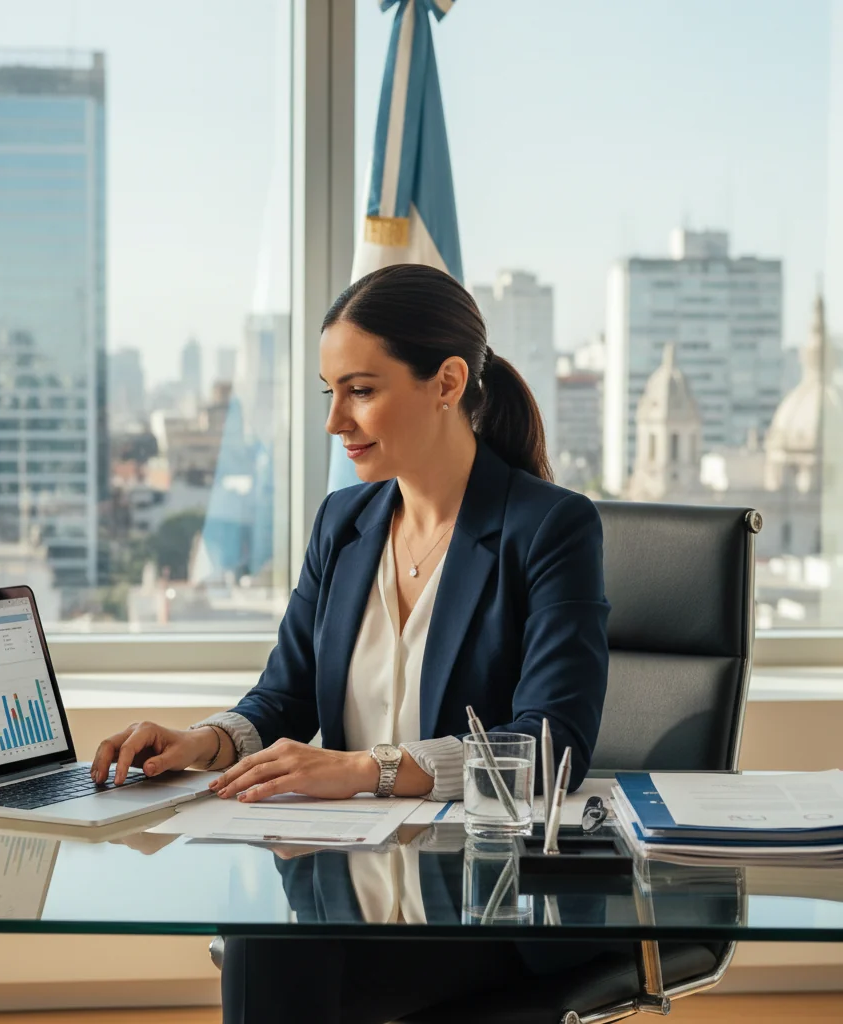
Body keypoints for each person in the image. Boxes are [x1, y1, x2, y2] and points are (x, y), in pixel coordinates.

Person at [92, 263, 610, 1023]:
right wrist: (203, 742)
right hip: (352, 885)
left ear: (446, 382)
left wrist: (368, 770)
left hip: (490, 906)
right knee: (264, 944)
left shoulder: (550, 528)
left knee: (276, 960)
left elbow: (549, 745)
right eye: (329, 393)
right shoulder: (345, 523)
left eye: (361, 390)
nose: (336, 422)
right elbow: (287, 693)